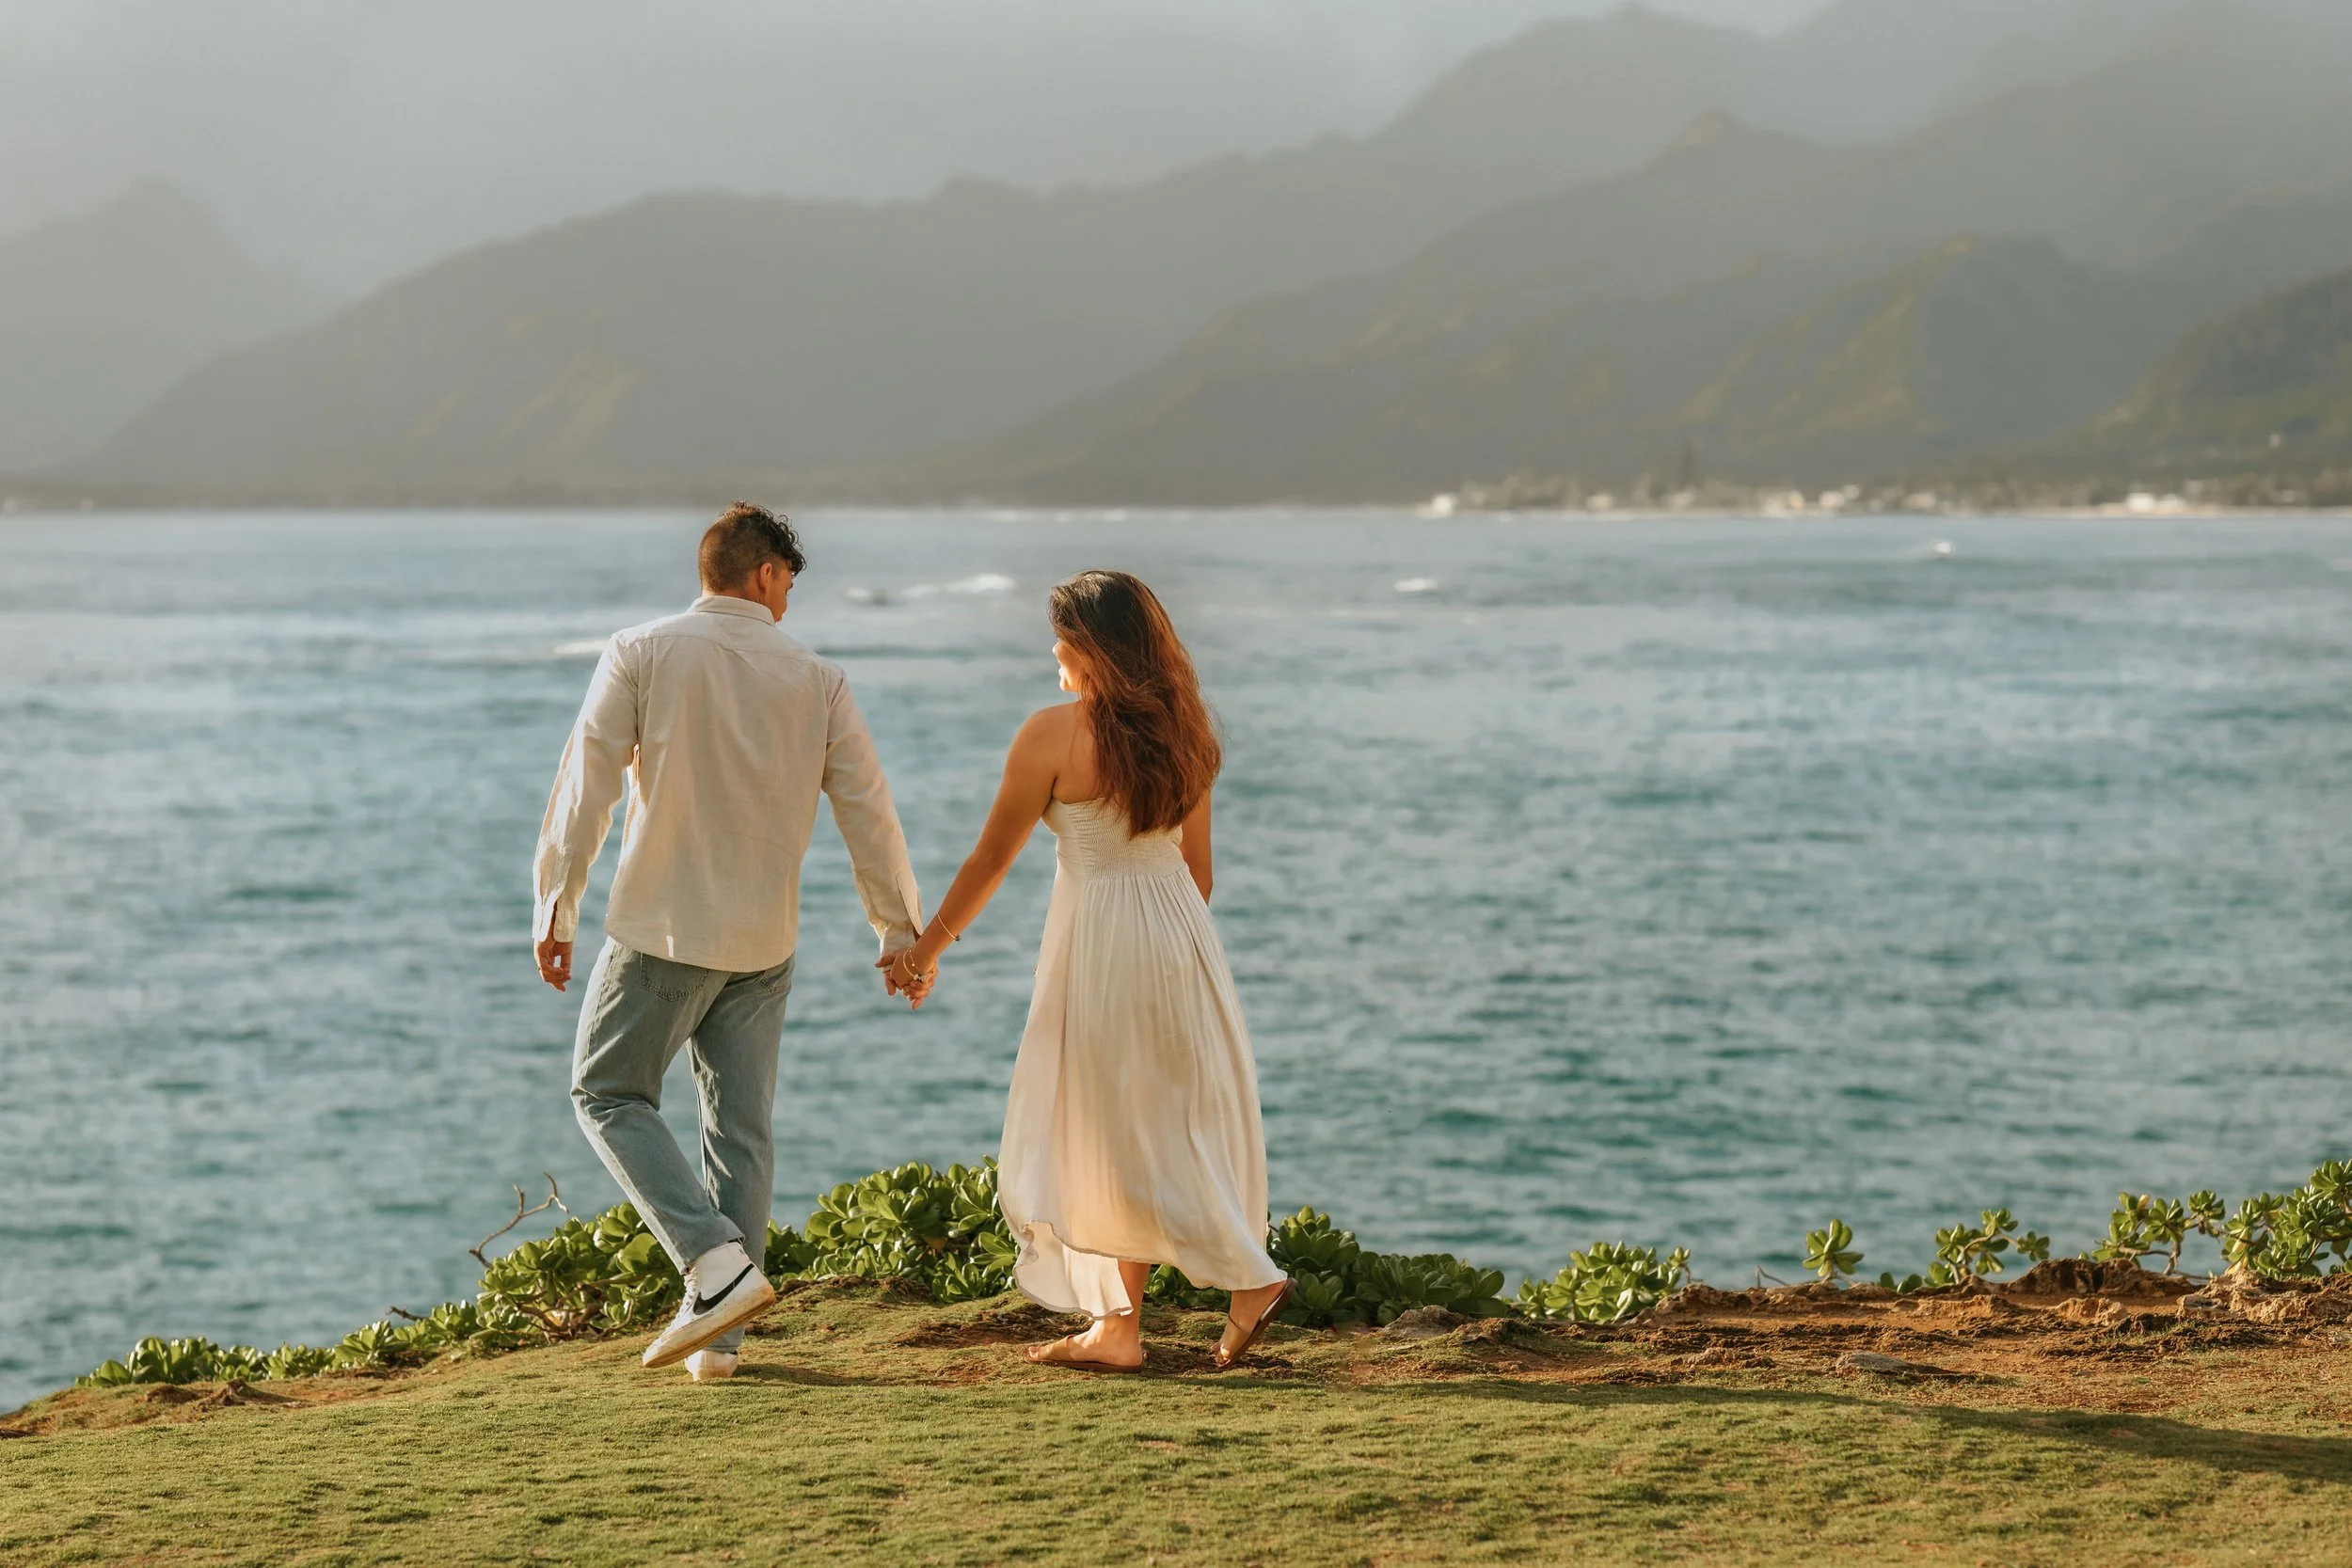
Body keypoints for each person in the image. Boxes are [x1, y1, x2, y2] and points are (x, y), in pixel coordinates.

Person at [532, 502, 925, 1383]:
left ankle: (714, 1264)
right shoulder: (819, 679)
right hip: (762, 939)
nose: (791, 593)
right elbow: (870, 811)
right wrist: (900, 932)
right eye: (790, 577)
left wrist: (555, 907)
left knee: (605, 1092)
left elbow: (586, 782)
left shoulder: (639, 650)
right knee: (739, 1133)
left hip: (664, 929)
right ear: (765, 574)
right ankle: (721, 1344)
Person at [883, 569, 1290, 1371]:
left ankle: (1246, 1278)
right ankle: (1121, 1326)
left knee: (1105, 1126)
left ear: (1094, 651)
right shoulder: (1190, 732)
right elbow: (1199, 874)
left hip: (1101, 942)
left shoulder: (1050, 734)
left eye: (1063, 636)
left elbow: (991, 858)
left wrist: (923, 949)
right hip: (1180, 939)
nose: (1053, 650)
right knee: (1155, 1120)